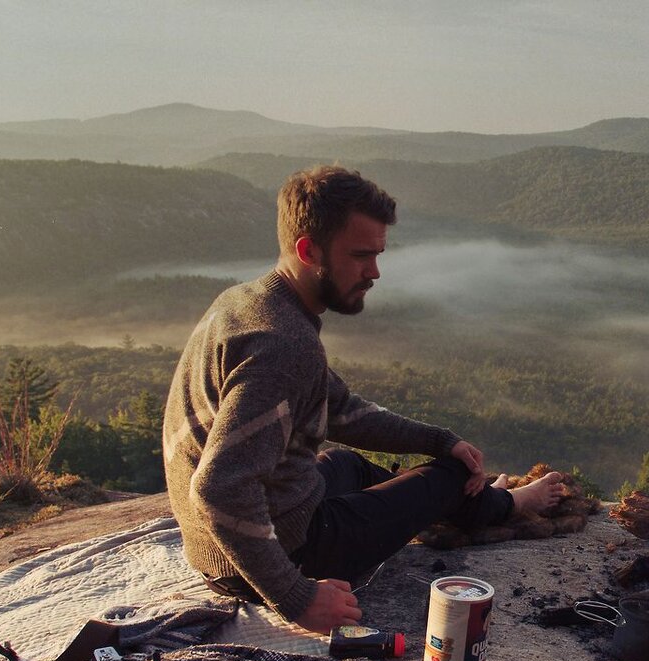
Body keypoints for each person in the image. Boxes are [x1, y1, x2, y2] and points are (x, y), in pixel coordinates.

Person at [162, 165, 563, 635]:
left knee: (350, 464)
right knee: (451, 478)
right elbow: (218, 488)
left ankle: (457, 505)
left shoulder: (247, 301)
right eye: (360, 256)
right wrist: (297, 598)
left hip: (227, 540)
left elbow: (342, 409)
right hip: (273, 552)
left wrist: (440, 440)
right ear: (309, 251)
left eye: (378, 255)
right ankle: (503, 506)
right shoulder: (283, 345)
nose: (374, 272)